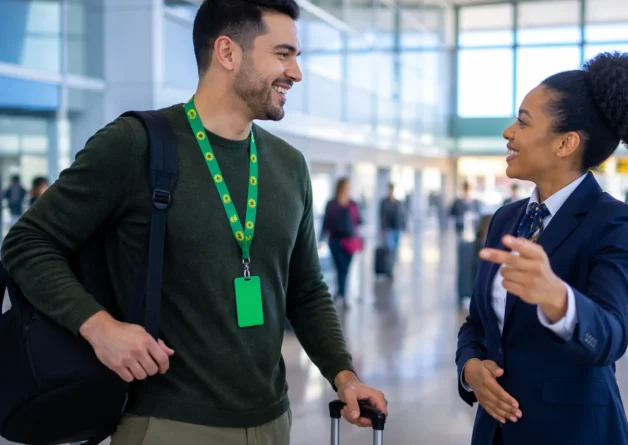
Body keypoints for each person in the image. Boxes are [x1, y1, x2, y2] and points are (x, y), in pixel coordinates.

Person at [0, 1, 386, 443]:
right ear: (227, 52)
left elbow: (307, 289)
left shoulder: (289, 165)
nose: (295, 73)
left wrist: (344, 375)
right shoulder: (134, 145)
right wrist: (100, 327)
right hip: (167, 423)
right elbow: (28, 242)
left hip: (275, 420)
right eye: (283, 54)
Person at [455, 52, 628, 445]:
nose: (508, 131)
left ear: (566, 143)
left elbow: (611, 337)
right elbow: (477, 325)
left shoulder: (614, 223)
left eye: (523, 120)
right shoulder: (505, 219)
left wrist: (559, 299)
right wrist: (470, 368)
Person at [321, 177, 362, 306]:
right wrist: (321, 239)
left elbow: (358, 221)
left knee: (345, 269)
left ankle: (341, 294)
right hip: (335, 241)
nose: (347, 189)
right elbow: (326, 222)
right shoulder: (331, 204)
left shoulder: (353, 204)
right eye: (345, 186)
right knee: (340, 268)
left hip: (350, 242)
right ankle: (341, 294)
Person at [379, 183, 406, 261]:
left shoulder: (398, 202)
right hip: (388, 228)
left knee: (395, 249)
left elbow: (402, 215)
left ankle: (392, 264)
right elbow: (382, 216)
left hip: (397, 228)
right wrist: (382, 229)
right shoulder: (384, 202)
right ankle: (389, 266)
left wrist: (404, 227)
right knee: (389, 247)